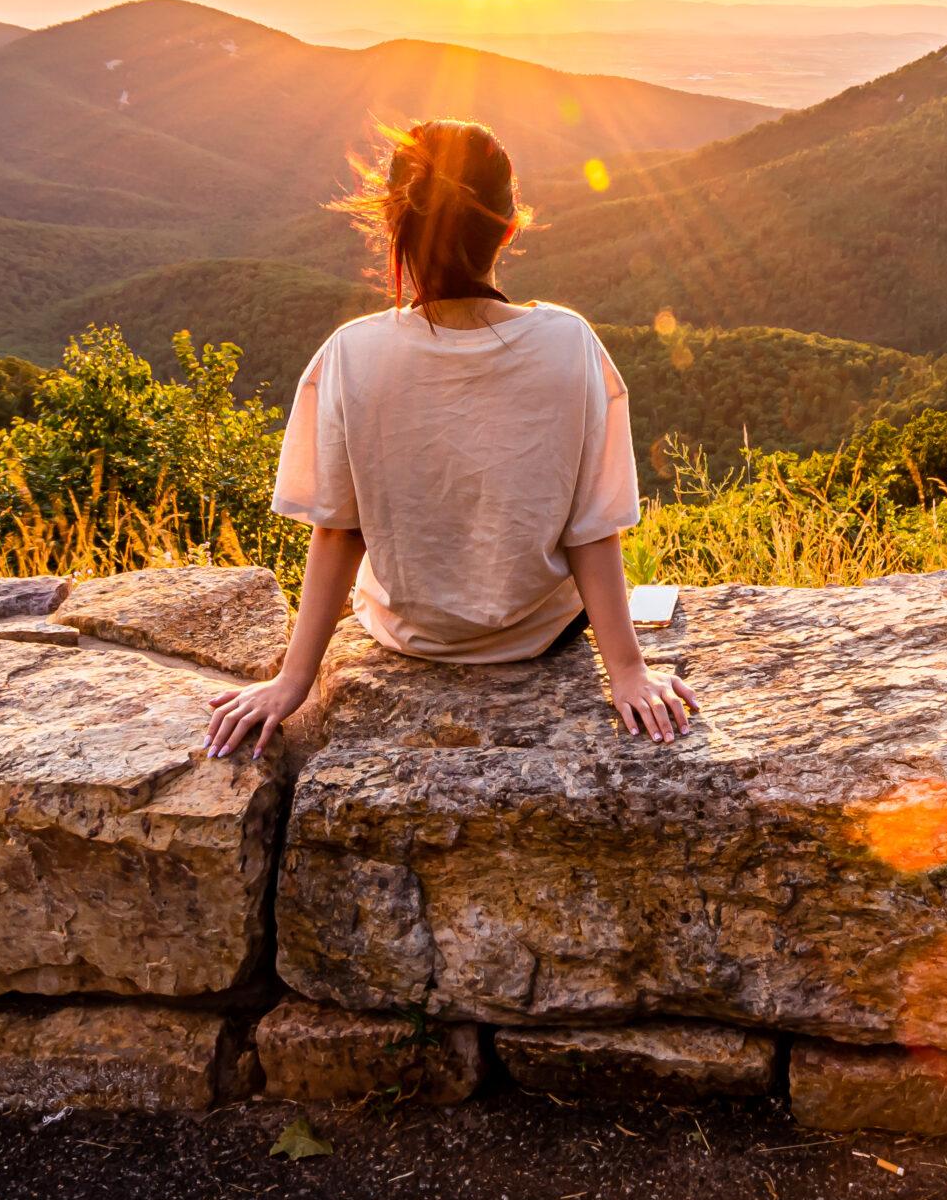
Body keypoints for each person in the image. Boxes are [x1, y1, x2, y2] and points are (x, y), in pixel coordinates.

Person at [204, 118, 701, 761]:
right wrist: (628, 672)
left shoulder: (351, 354)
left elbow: (338, 530)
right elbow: (591, 530)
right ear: (510, 225)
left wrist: (293, 681)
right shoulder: (569, 343)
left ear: (395, 225)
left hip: (408, 636)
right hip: (540, 634)